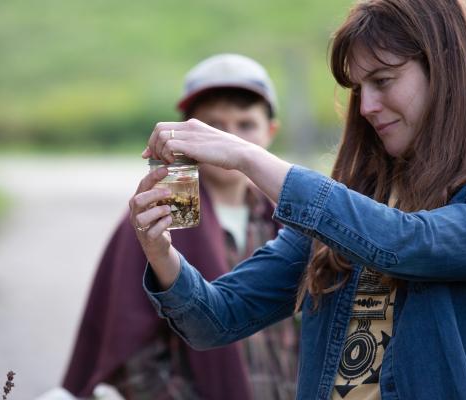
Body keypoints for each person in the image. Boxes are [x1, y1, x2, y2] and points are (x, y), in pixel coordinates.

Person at [130, 1, 466, 399]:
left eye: (384, 81)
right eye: (358, 89)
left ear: (444, 69)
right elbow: (216, 319)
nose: (367, 106)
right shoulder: (351, 203)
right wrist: (160, 252)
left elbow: (403, 243)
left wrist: (247, 156)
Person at [59, 54, 300, 400]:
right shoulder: (156, 218)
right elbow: (131, 354)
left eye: (245, 124)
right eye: (214, 125)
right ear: (188, 131)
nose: (229, 138)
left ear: (270, 131)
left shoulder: (290, 221)